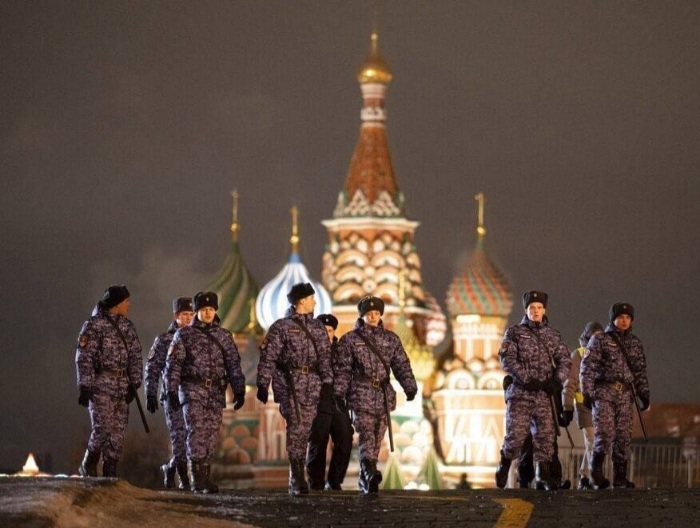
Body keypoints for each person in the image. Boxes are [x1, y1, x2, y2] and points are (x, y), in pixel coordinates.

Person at [334, 296, 417, 495]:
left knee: (378, 435)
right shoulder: (350, 340)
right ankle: (370, 470)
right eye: (369, 313)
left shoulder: (391, 339)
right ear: (362, 315)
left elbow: (401, 364)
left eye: (377, 313)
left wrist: (409, 386)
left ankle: (366, 479)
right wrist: (339, 393)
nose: (373, 316)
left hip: (383, 395)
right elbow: (343, 369)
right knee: (366, 434)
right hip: (360, 394)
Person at [255, 282, 333, 496]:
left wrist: (328, 383)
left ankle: (299, 472)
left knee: (306, 429)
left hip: (313, 385)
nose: (315, 301)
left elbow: (325, 357)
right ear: (302, 300)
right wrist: (263, 383)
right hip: (291, 384)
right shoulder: (281, 327)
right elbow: (269, 357)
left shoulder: (317, 327)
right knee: (296, 428)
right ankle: (297, 475)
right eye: (311, 298)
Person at [164, 291, 246, 493]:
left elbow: (233, 365)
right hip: (192, 390)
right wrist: (171, 390)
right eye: (203, 309)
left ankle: (205, 477)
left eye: (211, 309)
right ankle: (196, 478)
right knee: (197, 431)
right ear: (197, 311)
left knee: (211, 434)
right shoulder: (184, 335)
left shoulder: (224, 336)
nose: (208, 313)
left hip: (215, 392)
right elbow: (173, 365)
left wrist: (239, 389)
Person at [495, 290, 571, 491]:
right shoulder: (514, 333)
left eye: (539, 307)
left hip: (544, 395)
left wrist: (556, 381)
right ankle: (504, 463)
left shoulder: (552, 335)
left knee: (546, 437)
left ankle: (543, 475)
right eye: (531, 308)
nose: (535, 311)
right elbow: (507, 360)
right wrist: (526, 379)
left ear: (544, 310)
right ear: (526, 310)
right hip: (521, 393)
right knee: (516, 436)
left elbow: (565, 361)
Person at [75, 284, 143, 478]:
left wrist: (135, 383)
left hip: (122, 386)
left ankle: (110, 471)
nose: (129, 305)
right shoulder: (94, 325)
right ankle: (89, 462)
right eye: (126, 301)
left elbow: (136, 356)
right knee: (103, 427)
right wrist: (85, 386)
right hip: (102, 384)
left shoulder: (128, 327)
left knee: (117, 433)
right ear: (117, 303)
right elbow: (84, 357)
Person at [580, 303, 650, 489]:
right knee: (605, 432)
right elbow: (588, 368)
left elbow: (640, 371)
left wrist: (644, 393)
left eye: (628, 317)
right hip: (604, 391)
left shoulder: (635, 343)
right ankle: (596, 473)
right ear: (613, 319)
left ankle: (620, 478)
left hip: (625, 394)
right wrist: (587, 392)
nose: (624, 321)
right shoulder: (600, 340)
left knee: (623, 436)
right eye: (620, 317)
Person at [144, 297, 194, 490]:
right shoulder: (165, 340)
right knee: (179, 438)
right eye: (184, 314)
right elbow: (152, 368)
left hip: (194, 396)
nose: (188, 318)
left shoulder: (198, 338)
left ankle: (171, 467)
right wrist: (150, 394)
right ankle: (184, 480)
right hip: (172, 397)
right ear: (176, 316)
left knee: (193, 439)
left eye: (191, 314)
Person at [306, 313, 354, 491]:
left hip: (338, 400)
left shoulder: (342, 350)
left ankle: (334, 481)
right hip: (318, 400)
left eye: (330, 330)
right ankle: (316, 483)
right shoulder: (309, 349)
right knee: (319, 442)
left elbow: (349, 372)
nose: (327, 333)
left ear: (334, 332)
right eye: (323, 330)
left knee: (345, 439)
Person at [563, 321, 603, 490]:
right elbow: (570, 382)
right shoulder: (578, 355)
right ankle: (591, 478)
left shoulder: (606, 355)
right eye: (594, 336)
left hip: (601, 405)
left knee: (597, 443)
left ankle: (585, 477)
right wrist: (567, 406)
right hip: (583, 405)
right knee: (592, 441)